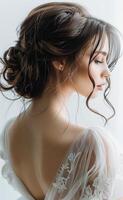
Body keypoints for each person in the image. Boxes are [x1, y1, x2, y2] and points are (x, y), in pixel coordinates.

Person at [0, 2, 123, 200]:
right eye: (99, 60)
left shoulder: (9, 133)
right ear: (60, 60)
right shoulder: (94, 146)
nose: (107, 72)